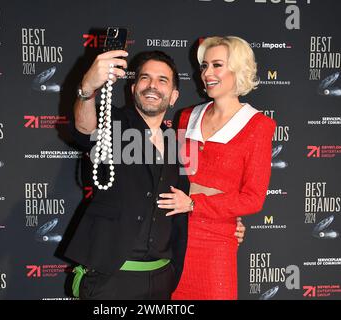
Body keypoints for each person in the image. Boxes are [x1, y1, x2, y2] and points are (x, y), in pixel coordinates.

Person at [61, 49, 246, 300]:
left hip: (161, 280)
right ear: (133, 87)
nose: (153, 85)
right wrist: (87, 90)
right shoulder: (113, 122)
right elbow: (85, 129)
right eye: (145, 78)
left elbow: (188, 190)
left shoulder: (176, 143)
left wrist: (225, 217)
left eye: (162, 80)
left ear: (173, 96)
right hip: (110, 280)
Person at [158, 36, 276, 300]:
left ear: (238, 69)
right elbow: (172, 174)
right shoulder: (187, 117)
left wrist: (195, 204)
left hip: (215, 243)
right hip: (172, 238)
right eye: (204, 66)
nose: (206, 73)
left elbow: (253, 199)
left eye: (217, 65)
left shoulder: (258, 126)